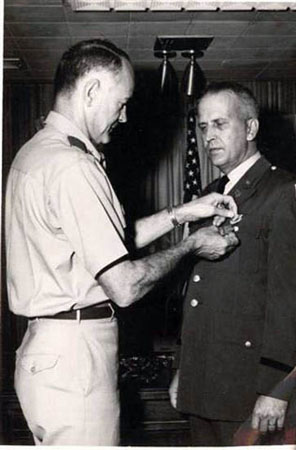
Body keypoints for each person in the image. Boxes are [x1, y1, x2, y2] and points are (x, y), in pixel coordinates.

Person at [4, 40, 239, 446]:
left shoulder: (40, 152)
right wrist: (191, 246)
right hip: (74, 362)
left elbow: (106, 242)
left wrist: (181, 213)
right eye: (121, 102)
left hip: (52, 353)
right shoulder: (72, 166)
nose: (125, 116)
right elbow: (124, 285)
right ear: (92, 91)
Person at [169, 81, 296, 446]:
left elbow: (291, 301)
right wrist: (185, 367)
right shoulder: (208, 196)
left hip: (250, 389)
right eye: (202, 126)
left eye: (220, 124)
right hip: (204, 383)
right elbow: (199, 293)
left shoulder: (282, 193)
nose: (208, 136)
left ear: (250, 128)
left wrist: (278, 388)